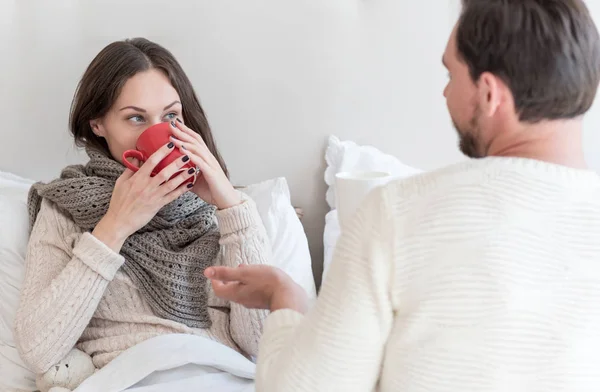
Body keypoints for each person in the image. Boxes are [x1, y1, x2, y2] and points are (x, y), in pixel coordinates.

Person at [205, 0, 600, 391]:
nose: (445, 94)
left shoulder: (397, 211)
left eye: (450, 74)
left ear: (490, 93)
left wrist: (284, 298)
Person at [14, 38, 272, 379]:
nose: (158, 133)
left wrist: (231, 205)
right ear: (98, 124)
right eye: (136, 118)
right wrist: (115, 226)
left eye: (170, 116)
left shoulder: (222, 211)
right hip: (129, 379)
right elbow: (38, 350)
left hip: (222, 374)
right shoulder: (66, 207)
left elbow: (261, 342)